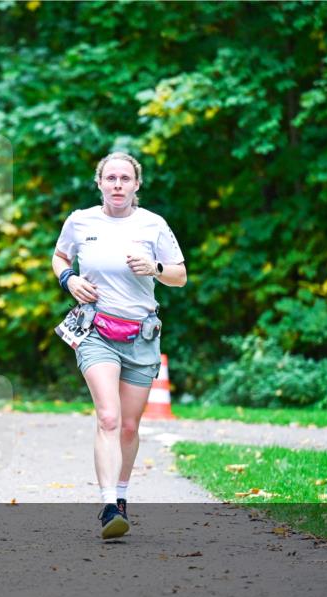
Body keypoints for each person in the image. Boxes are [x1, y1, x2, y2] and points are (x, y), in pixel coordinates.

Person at [51, 151, 186, 540]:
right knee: (108, 418)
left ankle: (122, 496)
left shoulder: (153, 225)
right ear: (99, 183)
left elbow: (180, 276)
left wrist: (155, 269)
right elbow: (60, 257)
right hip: (95, 331)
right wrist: (69, 281)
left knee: (129, 426)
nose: (117, 185)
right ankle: (109, 505)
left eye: (125, 179)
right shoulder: (80, 221)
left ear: (136, 185)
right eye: (110, 178)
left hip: (141, 334)